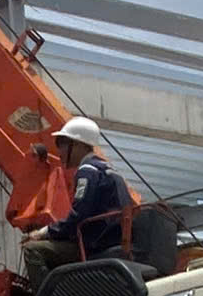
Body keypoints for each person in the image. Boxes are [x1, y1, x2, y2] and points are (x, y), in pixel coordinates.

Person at [21, 116, 133, 285]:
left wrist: (43, 232)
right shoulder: (110, 170)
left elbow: (78, 216)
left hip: (93, 245)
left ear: (79, 144)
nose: (59, 150)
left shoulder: (87, 172)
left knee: (32, 250)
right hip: (109, 240)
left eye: (62, 143)